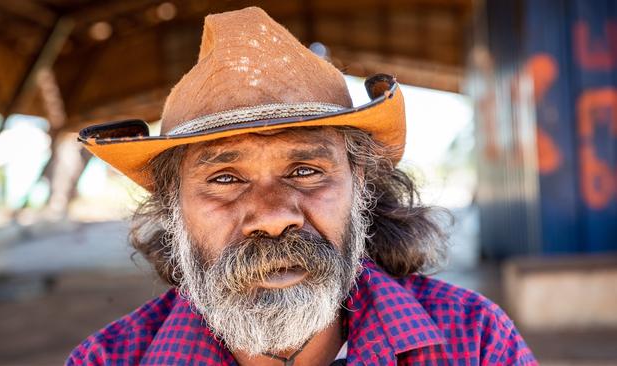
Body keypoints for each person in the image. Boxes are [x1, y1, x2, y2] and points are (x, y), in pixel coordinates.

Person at [68, 6, 536, 366]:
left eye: (306, 170)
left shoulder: (474, 341)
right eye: (225, 178)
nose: (273, 216)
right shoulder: (106, 360)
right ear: (174, 212)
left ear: (361, 188)